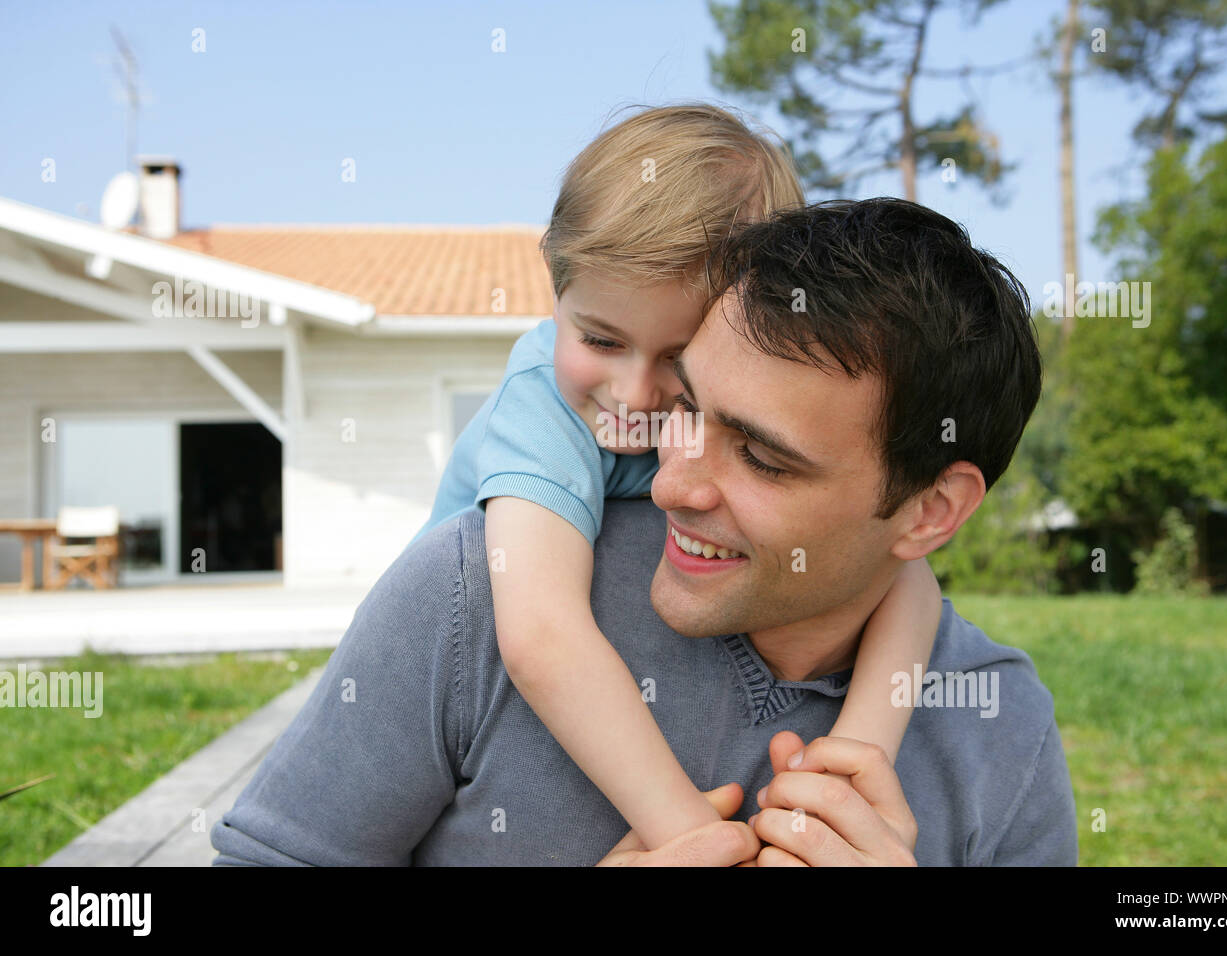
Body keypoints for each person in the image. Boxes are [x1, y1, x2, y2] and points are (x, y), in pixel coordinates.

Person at [211, 196, 1076, 866]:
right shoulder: (476, 588)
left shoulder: (1001, 725)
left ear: (931, 511)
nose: (670, 483)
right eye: (686, 408)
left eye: (762, 459)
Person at [399, 104, 940, 851]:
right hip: (433, 672)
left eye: (678, 359)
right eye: (600, 339)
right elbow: (540, 637)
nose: (633, 394)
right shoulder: (542, 404)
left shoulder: (727, 410)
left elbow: (911, 580)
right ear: (555, 286)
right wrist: (690, 836)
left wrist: (847, 774)